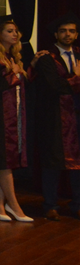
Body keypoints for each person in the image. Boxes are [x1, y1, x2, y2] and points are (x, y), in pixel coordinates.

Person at [0, 16, 33, 223]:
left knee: (7, 161)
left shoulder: (12, 58)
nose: (14, 34)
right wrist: (13, 75)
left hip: (14, 115)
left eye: (15, 31)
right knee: (5, 162)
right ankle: (14, 205)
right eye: (9, 31)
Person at [33, 14, 80, 220]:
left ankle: (77, 204)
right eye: (63, 31)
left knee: (78, 162)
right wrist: (76, 79)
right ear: (56, 34)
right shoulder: (47, 58)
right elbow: (53, 86)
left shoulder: (79, 55)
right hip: (54, 117)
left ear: (76, 34)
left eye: (71, 31)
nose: (67, 34)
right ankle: (50, 204)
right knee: (52, 161)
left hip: (77, 116)